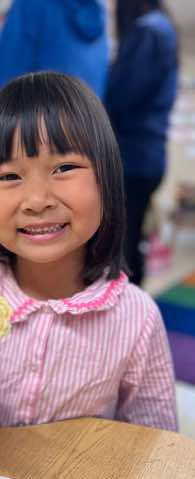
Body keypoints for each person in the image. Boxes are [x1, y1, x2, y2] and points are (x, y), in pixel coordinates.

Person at [0, 72, 177, 447]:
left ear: (106, 179)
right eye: (9, 175)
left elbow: (157, 444)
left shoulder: (137, 317)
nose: (37, 200)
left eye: (64, 168)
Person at [105, 0, 178, 286]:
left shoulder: (148, 32)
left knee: (121, 247)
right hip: (148, 157)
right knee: (131, 241)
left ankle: (126, 309)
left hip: (132, 158)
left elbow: (122, 96)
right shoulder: (162, 28)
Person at [0, 0, 108, 109]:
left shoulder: (30, 5)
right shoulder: (99, 9)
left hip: (41, 124)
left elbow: (3, 90)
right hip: (87, 124)